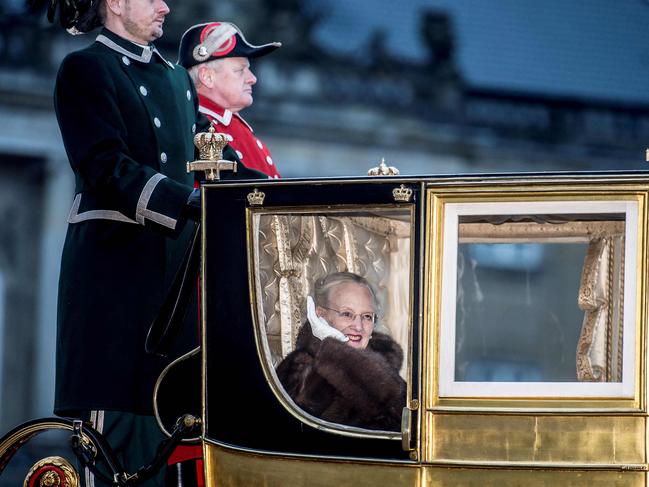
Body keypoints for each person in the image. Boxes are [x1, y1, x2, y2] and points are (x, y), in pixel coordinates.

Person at [32, 0, 263, 485]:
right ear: (115, 2)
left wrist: (278, 194)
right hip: (116, 296)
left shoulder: (176, 79)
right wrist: (189, 204)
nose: (165, 6)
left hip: (173, 300)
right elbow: (104, 166)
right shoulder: (85, 69)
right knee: (117, 458)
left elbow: (211, 158)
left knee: (171, 453)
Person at [276, 272, 406, 431]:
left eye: (366, 316)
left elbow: (407, 422)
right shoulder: (299, 369)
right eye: (347, 314)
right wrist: (332, 351)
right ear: (321, 315)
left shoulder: (385, 362)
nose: (358, 326)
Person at [178, 21, 282, 179]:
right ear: (207, 77)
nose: (252, 78)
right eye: (240, 70)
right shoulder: (189, 127)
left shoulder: (237, 128)